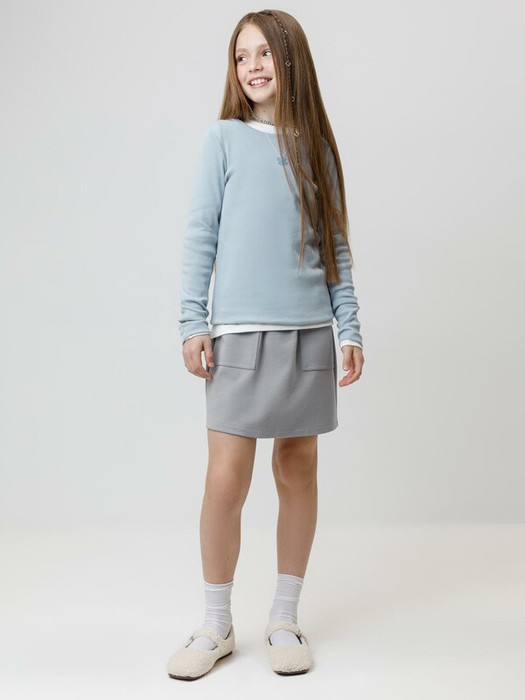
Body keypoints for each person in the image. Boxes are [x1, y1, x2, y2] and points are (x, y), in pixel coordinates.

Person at [167, 9, 365, 680]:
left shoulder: (317, 149)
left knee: (297, 470)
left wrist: (349, 326)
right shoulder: (222, 139)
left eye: (264, 54)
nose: (251, 66)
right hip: (237, 337)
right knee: (226, 477)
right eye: (241, 55)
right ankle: (215, 623)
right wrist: (192, 322)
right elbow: (201, 233)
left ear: (291, 62)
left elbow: (335, 247)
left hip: (308, 333)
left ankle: (284, 616)